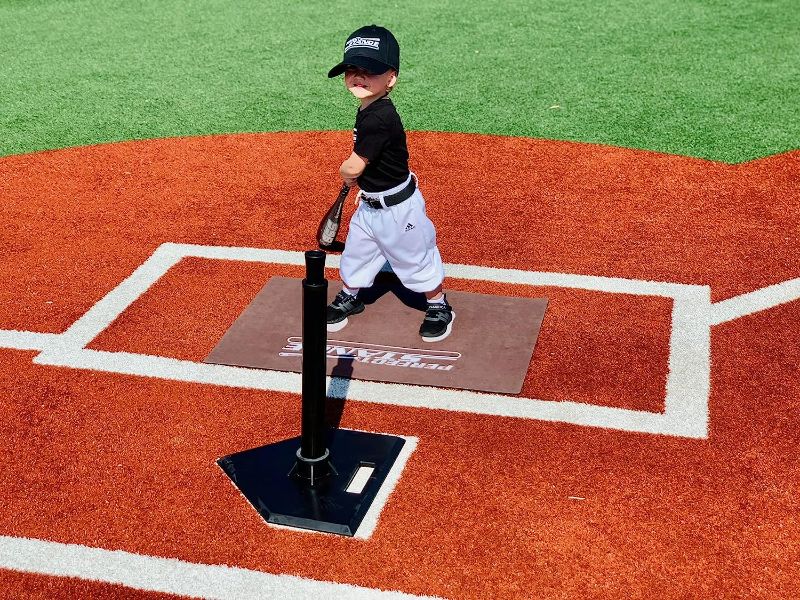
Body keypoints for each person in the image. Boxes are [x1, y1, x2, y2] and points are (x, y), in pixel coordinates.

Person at [325, 24, 454, 343]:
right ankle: (350, 296)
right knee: (356, 253)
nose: (358, 76)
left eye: (369, 70)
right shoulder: (367, 109)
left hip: (399, 210)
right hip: (369, 205)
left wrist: (346, 171)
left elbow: (355, 164)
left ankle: (439, 306)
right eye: (352, 69)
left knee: (415, 259)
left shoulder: (380, 116)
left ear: (391, 78)